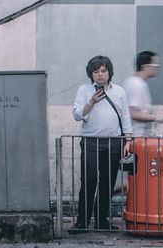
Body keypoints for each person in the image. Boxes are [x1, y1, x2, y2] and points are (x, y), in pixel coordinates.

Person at [71, 54, 133, 232]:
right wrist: (91, 102)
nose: (100, 74)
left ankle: (101, 220)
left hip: (114, 142)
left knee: (107, 183)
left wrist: (128, 140)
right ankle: (82, 221)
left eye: (103, 71)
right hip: (91, 142)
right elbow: (76, 115)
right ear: (90, 74)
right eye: (96, 71)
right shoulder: (84, 90)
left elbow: (125, 117)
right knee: (88, 181)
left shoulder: (119, 91)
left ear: (109, 73)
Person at [123, 51, 163, 137]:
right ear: (145, 67)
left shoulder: (137, 83)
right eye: (155, 66)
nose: (157, 68)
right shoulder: (136, 84)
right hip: (137, 136)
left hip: (139, 136)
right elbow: (133, 113)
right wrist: (157, 117)